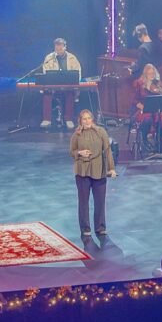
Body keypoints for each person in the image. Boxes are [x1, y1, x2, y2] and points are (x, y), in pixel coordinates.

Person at [68, 109, 115, 237]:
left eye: (89, 118)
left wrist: (111, 168)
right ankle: (85, 229)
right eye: (84, 119)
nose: (87, 121)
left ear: (92, 119)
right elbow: (72, 151)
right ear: (80, 121)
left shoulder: (101, 132)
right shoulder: (76, 135)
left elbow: (107, 150)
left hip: (99, 170)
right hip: (82, 171)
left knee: (100, 201)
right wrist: (80, 152)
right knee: (83, 202)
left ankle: (100, 227)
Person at [40, 37, 81, 129]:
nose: (58, 51)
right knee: (47, 93)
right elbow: (45, 72)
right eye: (56, 49)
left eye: (60, 49)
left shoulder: (72, 58)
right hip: (52, 86)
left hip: (68, 86)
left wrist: (74, 82)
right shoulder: (49, 58)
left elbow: (78, 72)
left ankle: (68, 119)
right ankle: (47, 120)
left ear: (65, 47)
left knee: (70, 93)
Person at [133, 64, 162, 153]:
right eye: (149, 73)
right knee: (148, 119)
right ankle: (145, 140)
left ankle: (160, 142)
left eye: (153, 73)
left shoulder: (158, 83)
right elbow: (135, 100)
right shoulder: (140, 83)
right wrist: (142, 106)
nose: (152, 75)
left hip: (157, 109)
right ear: (145, 74)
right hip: (144, 109)